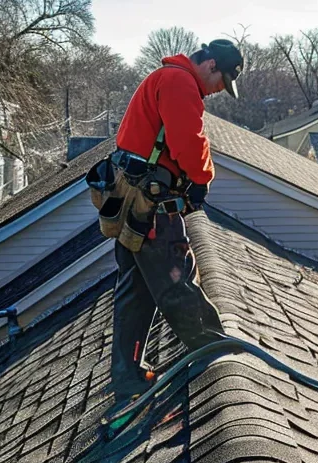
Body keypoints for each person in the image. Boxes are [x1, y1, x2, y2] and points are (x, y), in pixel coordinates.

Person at [108, 39, 245, 413]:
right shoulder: (180, 82)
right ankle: (213, 348)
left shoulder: (166, 77)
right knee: (174, 276)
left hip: (131, 199)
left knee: (135, 289)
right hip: (148, 203)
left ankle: (127, 375)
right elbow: (188, 139)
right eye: (221, 82)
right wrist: (201, 179)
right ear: (212, 64)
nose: (218, 91)